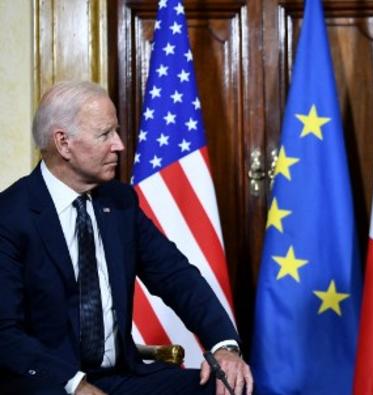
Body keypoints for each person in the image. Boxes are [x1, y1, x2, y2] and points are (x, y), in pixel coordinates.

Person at [0, 81, 253, 395]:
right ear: (63, 143)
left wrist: (223, 345)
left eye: (116, 132)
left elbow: (176, 276)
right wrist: (76, 385)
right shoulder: (10, 216)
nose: (119, 144)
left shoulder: (120, 203)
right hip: (48, 382)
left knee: (231, 388)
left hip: (122, 377)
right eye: (105, 134)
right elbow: (5, 333)